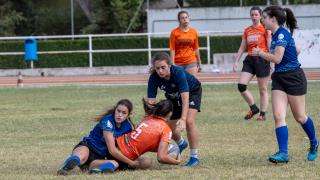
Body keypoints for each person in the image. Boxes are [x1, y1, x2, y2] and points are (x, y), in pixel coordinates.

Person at [252, 6, 318, 163]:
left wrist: (260, 53)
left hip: (294, 78)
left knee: (300, 117)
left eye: (264, 17)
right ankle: (283, 153)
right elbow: (293, 50)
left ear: (273, 19)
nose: (262, 20)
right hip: (279, 79)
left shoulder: (281, 34)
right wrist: (294, 50)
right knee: (278, 115)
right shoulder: (275, 35)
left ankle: (314, 142)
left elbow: (277, 59)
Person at [89, 99, 181, 173]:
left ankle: (111, 164)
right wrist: (176, 162)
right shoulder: (166, 130)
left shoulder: (148, 118)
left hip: (117, 144)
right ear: (170, 114)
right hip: (124, 155)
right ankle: (101, 165)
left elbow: (145, 140)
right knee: (144, 162)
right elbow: (161, 157)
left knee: (147, 162)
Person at [147, 52, 202, 167]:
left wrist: (182, 118)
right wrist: (149, 121)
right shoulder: (153, 78)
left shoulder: (178, 73)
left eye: (163, 67)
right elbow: (151, 102)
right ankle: (181, 143)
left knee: (189, 121)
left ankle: (194, 157)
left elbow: (185, 97)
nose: (160, 71)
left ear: (170, 65)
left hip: (192, 92)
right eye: (157, 68)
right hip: (173, 96)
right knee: (167, 125)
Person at [57, 99, 138, 175]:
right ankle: (65, 167)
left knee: (114, 163)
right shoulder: (108, 121)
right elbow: (112, 150)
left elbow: (127, 144)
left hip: (98, 157)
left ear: (128, 115)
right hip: (87, 147)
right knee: (79, 158)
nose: (119, 115)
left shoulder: (128, 127)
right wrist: (130, 162)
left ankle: (96, 171)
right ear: (115, 110)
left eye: (124, 113)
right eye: (118, 111)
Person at [233, 6, 272, 121]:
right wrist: (236, 61)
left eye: (256, 14)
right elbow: (242, 48)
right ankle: (254, 108)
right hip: (250, 60)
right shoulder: (247, 30)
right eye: (252, 15)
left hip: (262, 59)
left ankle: (262, 114)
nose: (254, 17)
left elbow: (270, 47)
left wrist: (272, 62)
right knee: (241, 85)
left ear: (260, 16)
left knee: (263, 89)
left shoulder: (266, 29)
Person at [170, 10, 202, 76]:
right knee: (180, 83)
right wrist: (172, 63)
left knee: (192, 83)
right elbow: (172, 49)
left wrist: (199, 62)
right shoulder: (174, 32)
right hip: (178, 62)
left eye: (186, 17)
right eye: (182, 18)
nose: (185, 19)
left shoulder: (194, 32)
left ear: (189, 18)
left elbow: (196, 48)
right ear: (179, 20)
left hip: (191, 61)